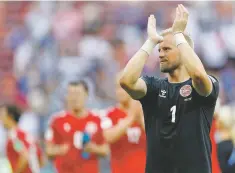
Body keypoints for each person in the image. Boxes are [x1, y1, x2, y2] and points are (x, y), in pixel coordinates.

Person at [120, 4, 219, 173]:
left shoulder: (203, 85)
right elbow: (126, 81)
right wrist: (150, 42)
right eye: (159, 50)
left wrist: (179, 35)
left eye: (166, 49)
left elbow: (197, 74)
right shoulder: (153, 87)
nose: (160, 54)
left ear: (182, 51)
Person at [44, 80, 109, 173]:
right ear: (66, 96)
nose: (74, 98)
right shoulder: (56, 120)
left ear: (86, 95)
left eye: (78, 94)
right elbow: (48, 151)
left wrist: (93, 148)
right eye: (71, 94)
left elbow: (106, 150)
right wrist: (60, 150)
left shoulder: (97, 119)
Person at [101, 76, 146, 173]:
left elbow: (158, 138)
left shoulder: (146, 113)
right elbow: (108, 137)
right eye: (118, 87)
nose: (121, 91)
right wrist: (131, 118)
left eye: (124, 87)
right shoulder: (109, 114)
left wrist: (141, 118)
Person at [0, 104, 44, 173]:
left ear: (10, 116)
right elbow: (41, 160)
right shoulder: (26, 135)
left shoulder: (14, 137)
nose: (1, 119)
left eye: (2, 115)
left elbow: (24, 156)